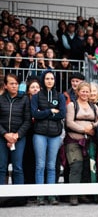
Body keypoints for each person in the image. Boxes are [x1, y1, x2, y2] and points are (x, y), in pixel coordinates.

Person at [31, 70, 66, 205]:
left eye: (52, 78)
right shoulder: (36, 96)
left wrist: (43, 113)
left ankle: (51, 195)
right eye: (47, 78)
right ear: (43, 80)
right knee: (40, 165)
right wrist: (51, 111)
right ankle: (40, 195)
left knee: (51, 166)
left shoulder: (60, 96)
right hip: (39, 134)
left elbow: (62, 114)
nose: (49, 81)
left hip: (55, 135)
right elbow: (34, 114)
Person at [64, 82, 98, 205]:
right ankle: (73, 195)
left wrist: (92, 127)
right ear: (78, 92)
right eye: (83, 91)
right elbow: (69, 122)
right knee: (76, 165)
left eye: (87, 91)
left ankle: (83, 194)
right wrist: (83, 130)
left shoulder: (94, 107)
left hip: (89, 141)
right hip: (74, 140)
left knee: (86, 166)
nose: (85, 93)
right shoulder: (72, 105)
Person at [0, 74, 31, 186]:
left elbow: (27, 120)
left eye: (16, 84)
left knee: (17, 167)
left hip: (19, 138)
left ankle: (19, 197)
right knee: (1, 167)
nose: (14, 86)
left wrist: (17, 135)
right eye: (11, 83)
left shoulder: (25, 99)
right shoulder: (1, 99)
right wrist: (5, 134)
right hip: (2, 137)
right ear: (5, 86)